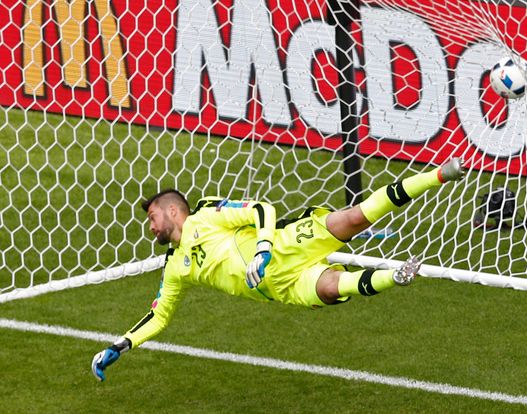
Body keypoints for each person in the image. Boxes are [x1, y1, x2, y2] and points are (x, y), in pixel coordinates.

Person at [91, 158, 463, 381]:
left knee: (354, 217)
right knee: (334, 288)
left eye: (153, 216)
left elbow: (261, 210)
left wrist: (264, 249)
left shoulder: (207, 214)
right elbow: (159, 316)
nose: (151, 226)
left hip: (286, 243)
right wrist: (121, 344)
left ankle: (440, 175)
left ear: (173, 210)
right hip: (282, 287)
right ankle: (394, 277)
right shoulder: (175, 266)